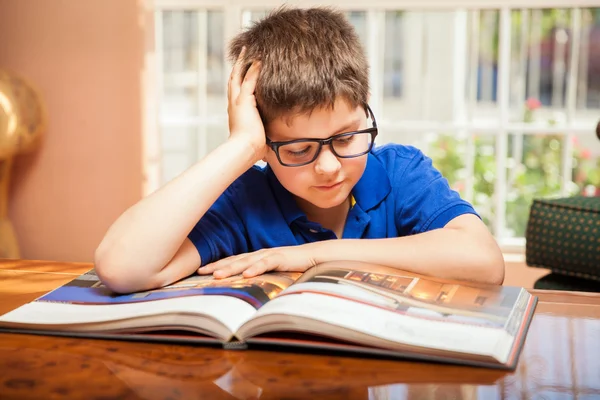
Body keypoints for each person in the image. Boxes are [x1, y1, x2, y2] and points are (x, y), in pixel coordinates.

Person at [95, 7, 504, 294]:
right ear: (264, 146)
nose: (328, 167)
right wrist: (240, 146)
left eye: (345, 138)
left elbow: (485, 263)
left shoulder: (399, 172)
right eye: (298, 149)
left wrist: (311, 256)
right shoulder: (247, 201)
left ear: (365, 111)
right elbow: (122, 268)